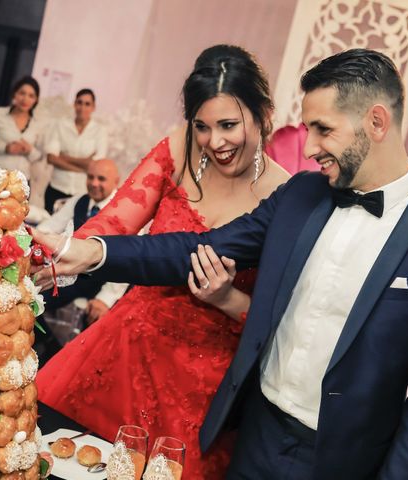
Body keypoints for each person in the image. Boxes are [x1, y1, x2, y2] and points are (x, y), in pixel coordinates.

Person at [34, 49, 408, 479]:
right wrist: (93, 252)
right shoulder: (301, 196)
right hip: (252, 437)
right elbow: (197, 248)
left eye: (323, 129)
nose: (309, 146)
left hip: (342, 460)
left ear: (376, 122)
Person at [36, 44, 290, 479]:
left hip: (203, 383)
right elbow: (114, 225)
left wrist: (227, 297)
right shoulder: (179, 150)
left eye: (229, 124)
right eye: (203, 126)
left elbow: (277, 319)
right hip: (124, 352)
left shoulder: (283, 195)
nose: (215, 141)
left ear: (263, 112)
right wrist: (63, 254)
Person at [37, 159, 126, 317]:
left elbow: (126, 263)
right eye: (90, 177)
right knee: (30, 293)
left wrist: (105, 299)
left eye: (101, 179)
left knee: (36, 300)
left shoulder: (125, 211)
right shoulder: (80, 200)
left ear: (116, 181)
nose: (94, 183)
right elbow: (50, 226)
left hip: (97, 280)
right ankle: (47, 339)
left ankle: (46, 339)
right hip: (67, 272)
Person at [43, 88, 109, 213]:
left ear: (93, 107)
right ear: (74, 104)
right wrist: (82, 167)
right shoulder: (60, 125)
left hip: (82, 193)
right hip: (56, 188)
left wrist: (63, 157)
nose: (82, 107)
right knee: (46, 229)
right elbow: (51, 158)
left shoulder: (100, 131)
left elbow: (94, 165)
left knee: (75, 231)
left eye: (87, 104)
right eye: (79, 102)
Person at [0, 75, 43, 180]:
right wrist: (5, 148)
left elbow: (39, 156)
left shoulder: (38, 124)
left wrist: (29, 150)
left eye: (31, 96)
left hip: (20, 182)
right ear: (14, 94)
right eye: (22, 93)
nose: (25, 99)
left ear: (36, 100)